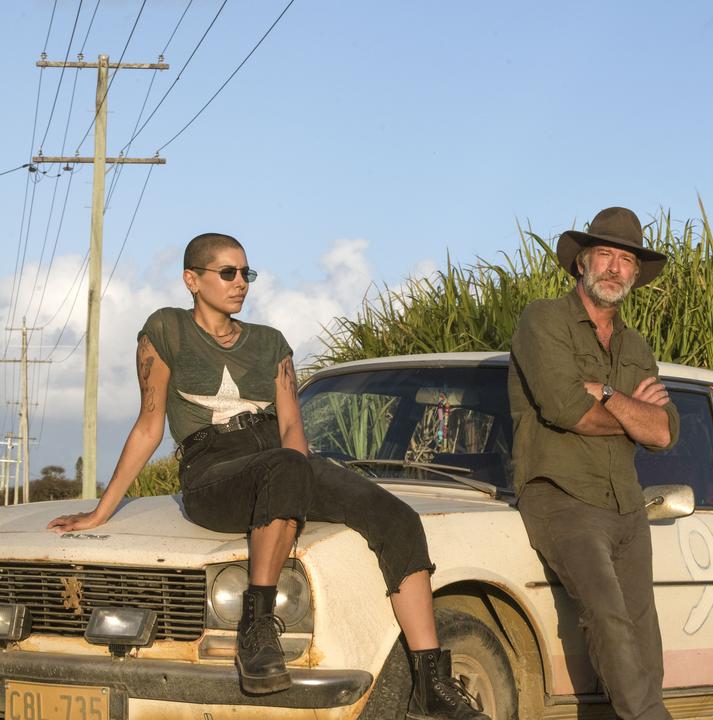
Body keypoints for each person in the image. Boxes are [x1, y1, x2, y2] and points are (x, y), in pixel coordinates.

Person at [48, 232, 487, 720]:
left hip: (279, 459)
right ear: (192, 280)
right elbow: (150, 422)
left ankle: (430, 682)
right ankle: (256, 630)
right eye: (228, 273)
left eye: (247, 273)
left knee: (396, 516)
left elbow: (292, 424)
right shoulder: (166, 330)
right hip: (213, 467)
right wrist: (102, 510)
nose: (241, 284)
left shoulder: (270, 342)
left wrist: (301, 481)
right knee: (283, 466)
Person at [508, 207, 680, 720]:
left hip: (627, 503)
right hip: (561, 496)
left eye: (626, 260)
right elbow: (567, 410)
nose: (614, 267)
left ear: (635, 274)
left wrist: (606, 392)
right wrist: (634, 410)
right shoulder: (544, 319)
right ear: (582, 263)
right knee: (610, 621)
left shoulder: (635, 345)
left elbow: (666, 431)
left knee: (644, 635)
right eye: (604, 254)